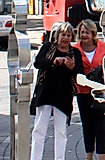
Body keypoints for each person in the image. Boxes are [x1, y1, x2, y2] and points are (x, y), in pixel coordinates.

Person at [31, 22, 83, 160]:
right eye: (63, 35)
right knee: (39, 129)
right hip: (46, 93)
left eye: (68, 35)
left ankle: (59, 158)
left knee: (61, 131)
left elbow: (80, 73)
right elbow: (38, 63)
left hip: (63, 96)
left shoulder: (74, 53)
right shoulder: (48, 47)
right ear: (57, 36)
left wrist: (72, 67)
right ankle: (35, 158)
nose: (65, 38)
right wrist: (53, 62)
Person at [74, 20, 105, 160]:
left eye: (86, 32)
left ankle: (102, 156)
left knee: (101, 126)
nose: (84, 35)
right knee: (87, 126)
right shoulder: (76, 49)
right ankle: (88, 156)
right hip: (83, 91)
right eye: (82, 32)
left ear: (93, 33)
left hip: (100, 91)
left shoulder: (103, 47)